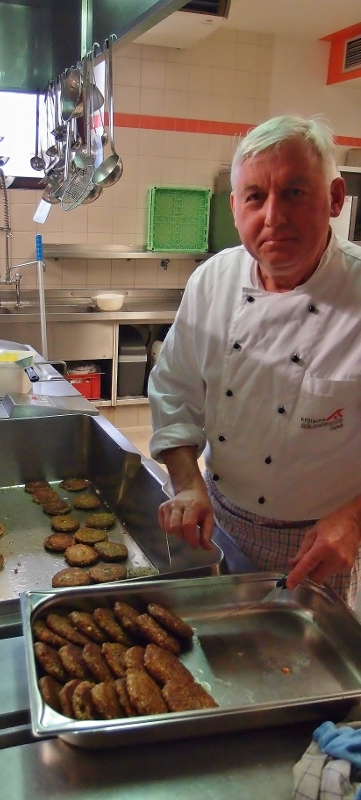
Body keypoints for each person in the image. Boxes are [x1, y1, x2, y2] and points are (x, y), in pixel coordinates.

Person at [148, 114, 361, 608]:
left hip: (321, 543)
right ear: (234, 206)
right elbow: (174, 389)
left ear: (335, 198)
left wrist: (352, 520)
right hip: (217, 522)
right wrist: (187, 484)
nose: (272, 217)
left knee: (301, 656)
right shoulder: (213, 281)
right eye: (255, 197)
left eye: (294, 193)